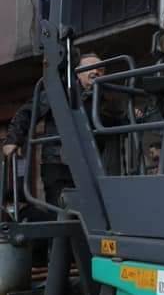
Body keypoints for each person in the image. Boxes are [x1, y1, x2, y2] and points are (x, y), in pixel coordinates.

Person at [3, 54, 108, 205]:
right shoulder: (60, 93)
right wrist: (13, 139)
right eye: (90, 67)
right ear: (78, 72)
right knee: (62, 209)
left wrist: (135, 115)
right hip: (58, 164)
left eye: (101, 69)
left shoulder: (103, 101)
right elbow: (27, 112)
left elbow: (114, 124)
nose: (97, 71)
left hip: (89, 166)